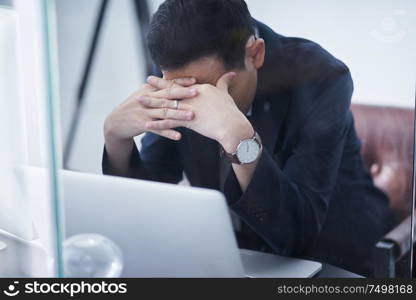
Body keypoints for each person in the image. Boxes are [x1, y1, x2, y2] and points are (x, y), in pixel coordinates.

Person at [102, 0, 394, 276]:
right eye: (184, 90)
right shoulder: (178, 65)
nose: (198, 101)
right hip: (232, 254)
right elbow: (150, 198)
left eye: (208, 88)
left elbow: (297, 235)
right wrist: (116, 139)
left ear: (255, 54)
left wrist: (238, 137)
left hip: (334, 255)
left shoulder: (321, 77)